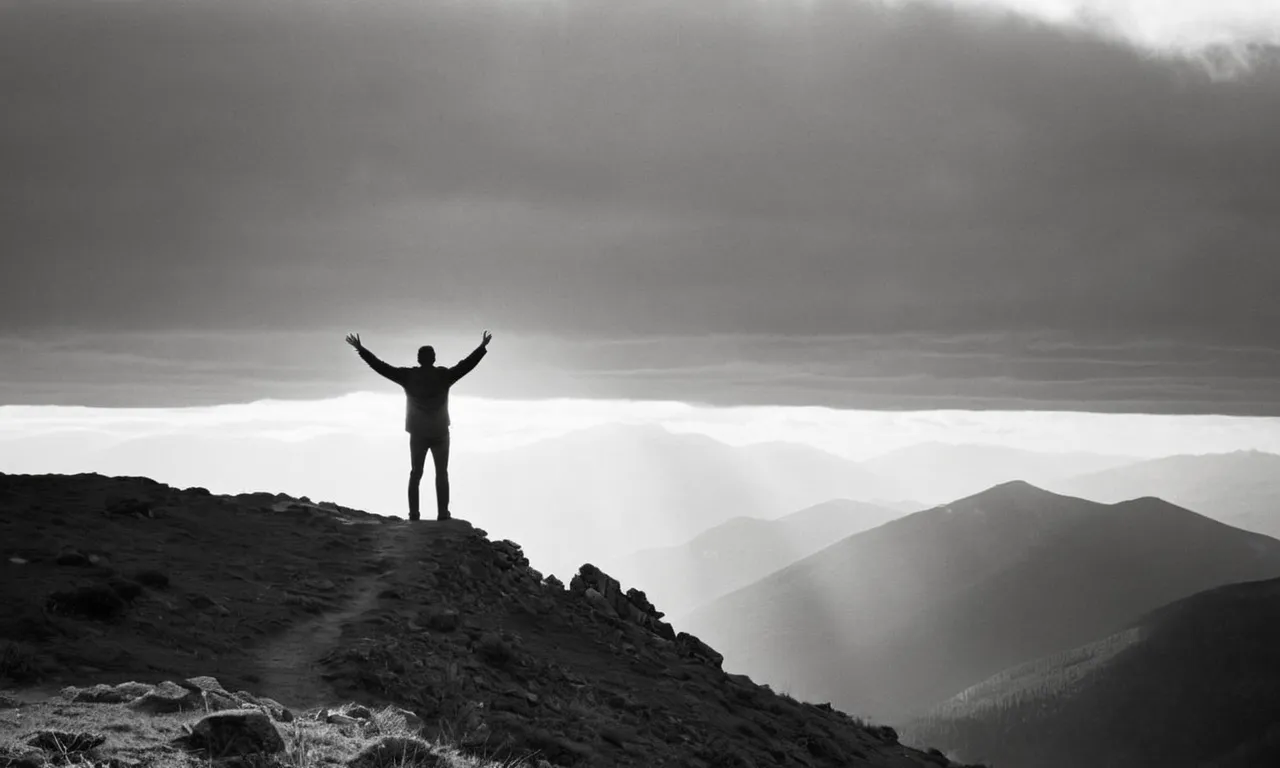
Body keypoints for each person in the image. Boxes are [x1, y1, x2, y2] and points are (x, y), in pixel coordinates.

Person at [346, 330, 491, 521]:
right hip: (440, 432)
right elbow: (466, 366)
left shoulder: (408, 376)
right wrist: (481, 348)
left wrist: (361, 349)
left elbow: (381, 367)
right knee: (442, 473)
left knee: (416, 473)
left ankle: (414, 514)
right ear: (434, 358)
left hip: (418, 433)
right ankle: (443, 514)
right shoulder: (443, 376)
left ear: (418, 359)